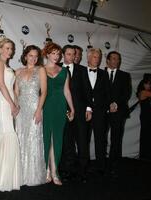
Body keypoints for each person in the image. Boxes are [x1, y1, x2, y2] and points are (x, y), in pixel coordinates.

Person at [42, 42, 75, 185]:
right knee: (46, 139)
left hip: (60, 106)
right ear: (47, 54)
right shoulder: (40, 70)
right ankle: (46, 170)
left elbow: (66, 91)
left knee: (57, 139)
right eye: (53, 53)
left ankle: (55, 172)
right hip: (45, 106)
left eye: (58, 54)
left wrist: (72, 108)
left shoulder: (64, 71)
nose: (56, 56)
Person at [15, 45, 47, 186]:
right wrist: (15, 107)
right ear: (25, 56)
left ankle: (33, 176)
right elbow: (16, 92)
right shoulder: (18, 71)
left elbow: (44, 92)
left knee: (33, 140)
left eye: (36, 56)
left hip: (35, 107)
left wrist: (39, 110)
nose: (33, 59)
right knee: (21, 138)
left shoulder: (40, 70)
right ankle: (20, 176)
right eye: (31, 56)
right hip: (21, 109)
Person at [59, 45, 92, 183]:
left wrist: (89, 109)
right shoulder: (56, 68)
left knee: (82, 143)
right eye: (68, 54)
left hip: (79, 112)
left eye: (73, 54)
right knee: (66, 143)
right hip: (62, 111)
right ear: (63, 54)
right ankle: (67, 171)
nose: (71, 57)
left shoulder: (82, 70)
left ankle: (83, 172)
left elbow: (87, 90)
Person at [0, 37, 21, 191]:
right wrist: (11, 104)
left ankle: (10, 178)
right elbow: (2, 85)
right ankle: (3, 179)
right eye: (7, 48)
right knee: (7, 134)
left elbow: (11, 87)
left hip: (9, 101)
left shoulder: (7, 65)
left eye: (11, 48)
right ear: (0, 49)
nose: (10, 51)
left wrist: (16, 103)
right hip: (3, 102)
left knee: (10, 135)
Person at [105, 51, 132, 176]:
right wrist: (107, 105)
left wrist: (116, 104)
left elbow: (126, 93)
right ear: (108, 60)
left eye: (119, 59)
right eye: (114, 58)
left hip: (119, 111)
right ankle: (102, 164)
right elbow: (97, 92)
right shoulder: (100, 73)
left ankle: (113, 164)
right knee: (101, 138)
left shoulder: (125, 75)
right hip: (103, 111)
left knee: (116, 139)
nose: (117, 61)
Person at [86, 48, 110, 174]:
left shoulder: (104, 74)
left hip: (100, 112)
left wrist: (106, 108)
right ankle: (84, 165)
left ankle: (101, 166)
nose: (98, 59)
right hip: (84, 111)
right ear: (88, 58)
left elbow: (107, 93)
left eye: (99, 57)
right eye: (95, 57)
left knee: (100, 139)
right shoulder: (81, 72)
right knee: (84, 139)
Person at [136, 78, 151, 160]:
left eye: (150, 84)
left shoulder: (144, 92)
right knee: (146, 134)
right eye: (148, 84)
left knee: (147, 134)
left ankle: (146, 154)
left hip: (147, 115)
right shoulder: (143, 92)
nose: (149, 85)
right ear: (143, 84)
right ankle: (145, 155)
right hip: (146, 116)